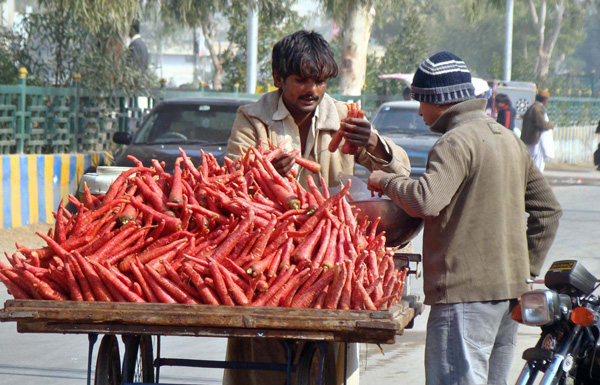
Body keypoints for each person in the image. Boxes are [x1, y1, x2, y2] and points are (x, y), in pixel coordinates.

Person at [224, 30, 411, 385]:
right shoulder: (253, 118)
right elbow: (231, 179)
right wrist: (262, 173)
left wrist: (373, 142)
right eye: (301, 80)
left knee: (330, 356)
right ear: (279, 78)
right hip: (268, 256)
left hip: (331, 253)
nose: (312, 90)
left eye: (320, 81)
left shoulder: (344, 116)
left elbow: (400, 172)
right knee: (264, 355)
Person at [367, 51, 562, 385]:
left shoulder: (455, 142)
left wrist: (383, 180)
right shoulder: (508, 140)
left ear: (439, 101)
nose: (419, 111)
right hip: (508, 296)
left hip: (463, 301)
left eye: (421, 102)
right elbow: (549, 211)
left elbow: (425, 200)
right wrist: (525, 269)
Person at [520, 90, 554, 171]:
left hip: (530, 138)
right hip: (534, 139)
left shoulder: (533, 107)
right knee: (536, 164)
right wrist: (551, 125)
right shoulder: (537, 109)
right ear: (545, 100)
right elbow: (541, 123)